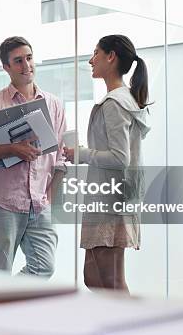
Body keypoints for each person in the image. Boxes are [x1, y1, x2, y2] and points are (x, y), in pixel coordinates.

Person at [0, 36, 67, 277]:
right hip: (3, 203)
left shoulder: (54, 105)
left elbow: (60, 157)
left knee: (44, 267)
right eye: (18, 61)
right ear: (6, 67)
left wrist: (50, 196)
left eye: (29, 58)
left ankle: (9, 300)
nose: (26, 65)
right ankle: (1, 307)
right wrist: (11, 148)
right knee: (0, 273)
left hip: (40, 204)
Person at [64, 34, 150, 293]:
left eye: (96, 54)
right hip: (108, 198)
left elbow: (119, 158)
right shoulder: (124, 100)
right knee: (93, 278)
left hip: (111, 202)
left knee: (111, 283)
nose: (91, 61)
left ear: (111, 57)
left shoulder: (115, 103)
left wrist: (82, 153)